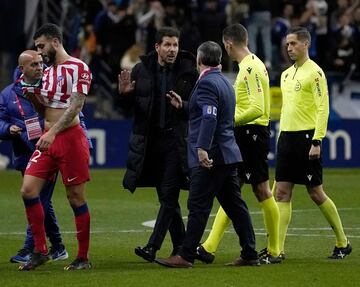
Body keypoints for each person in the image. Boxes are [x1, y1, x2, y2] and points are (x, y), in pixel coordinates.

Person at [155, 41, 259, 268]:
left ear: (199, 60)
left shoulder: (206, 84)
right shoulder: (224, 82)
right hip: (227, 154)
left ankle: (185, 255)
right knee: (235, 206)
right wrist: (184, 105)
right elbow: (210, 110)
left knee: (198, 204)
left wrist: (201, 148)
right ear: (219, 60)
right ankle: (250, 252)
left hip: (211, 155)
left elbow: (210, 116)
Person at [196, 23, 281, 265]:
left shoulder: (251, 68)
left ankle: (274, 250)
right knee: (230, 188)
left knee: (260, 190)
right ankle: (209, 246)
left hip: (252, 134)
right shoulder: (252, 64)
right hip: (247, 134)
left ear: (228, 44)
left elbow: (256, 108)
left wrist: (229, 120)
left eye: (225, 46)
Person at [117, 27, 198, 262]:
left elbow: (196, 107)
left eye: (175, 45)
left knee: (169, 193)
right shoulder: (141, 70)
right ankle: (181, 246)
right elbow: (126, 109)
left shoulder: (188, 71)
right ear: (157, 47)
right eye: (168, 45)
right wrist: (124, 95)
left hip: (176, 140)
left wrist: (182, 105)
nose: (172, 49)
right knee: (165, 196)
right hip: (151, 142)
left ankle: (153, 246)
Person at [18, 23, 93, 271]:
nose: (39, 53)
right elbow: (48, 110)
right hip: (49, 136)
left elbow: (75, 107)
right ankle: (40, 250)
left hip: (70, 138)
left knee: (75, 197)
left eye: (41, 46)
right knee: (28, 190)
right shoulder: (48, 73)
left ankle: (83, 257)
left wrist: (52, 133)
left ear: (55, 42)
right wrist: (35, 102)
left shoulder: (79, 67)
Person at [275, 26, 352, 259]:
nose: (289, 48)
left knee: (316, 193)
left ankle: (342, 242)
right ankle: (276, 250)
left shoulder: (315, 73)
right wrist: (281, 137)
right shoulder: (286, 74)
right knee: (281, 193)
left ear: (306, 44)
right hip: (286, 138)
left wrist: (317, 140)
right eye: (288, 44)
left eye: (293, 44)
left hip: (307, 138)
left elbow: (322, 108)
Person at [0, 51, 68, 264]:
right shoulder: (8, 94)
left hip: (48, 152)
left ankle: (31, 248)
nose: (40, 67)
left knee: (38, 198)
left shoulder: (52, 87)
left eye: (40, 63)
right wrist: (6, 128)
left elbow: (71, 113)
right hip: (24, 153)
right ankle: (58, 246)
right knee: (40, 202)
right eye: (34, 65)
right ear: (22, 69)